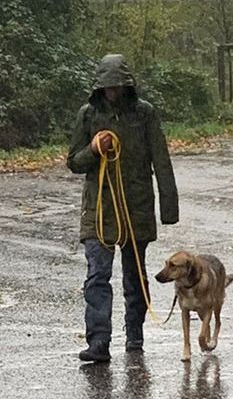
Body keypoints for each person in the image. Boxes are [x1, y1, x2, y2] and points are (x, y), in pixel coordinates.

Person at [66, 54, 178, 365]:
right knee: (97, 276)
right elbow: (73, 161)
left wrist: (169, 207)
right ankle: (99, 342)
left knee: (135, 275)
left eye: (117, 87)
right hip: (99, 208)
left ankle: (135, 336)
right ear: (99, 88)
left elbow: (161, 160)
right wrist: (93, 149)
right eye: (107, 87)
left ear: (127, 86)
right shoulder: (87, 115)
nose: (112, 92)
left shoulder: (145, 114)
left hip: (136, 205)